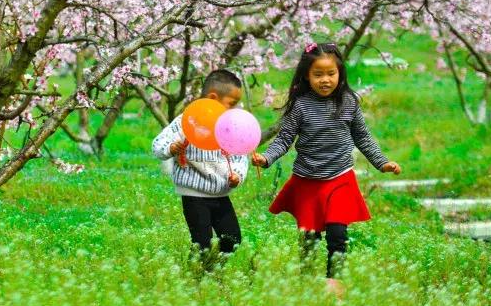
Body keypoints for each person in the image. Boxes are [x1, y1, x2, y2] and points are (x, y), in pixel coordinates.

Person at [251, 42, 401, 289]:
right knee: (309, 237)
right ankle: (308, 284)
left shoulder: (349, 102)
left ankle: (335, 284)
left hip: (340, 177)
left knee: (337, 234)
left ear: (340, 73)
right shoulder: (301, 106)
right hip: (308, 180)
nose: (325, 80)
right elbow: (285, 138)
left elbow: (362, 136)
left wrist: (382, 163)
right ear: (306, 76)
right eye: (318, 74)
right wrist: (267, 158)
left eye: (331, 73)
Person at [152, 69, 248, 265]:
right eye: (231, 104)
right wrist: (171, 147)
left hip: (220, 194)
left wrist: (237, 174)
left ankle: (213, 267)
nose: (234, 109)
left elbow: (240, 156)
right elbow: (157, 144)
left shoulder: (230, 127)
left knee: (233, 239)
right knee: (201, 243)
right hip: (194, 194)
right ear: (213, 98)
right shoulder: (186, 121)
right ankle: (196, 272)